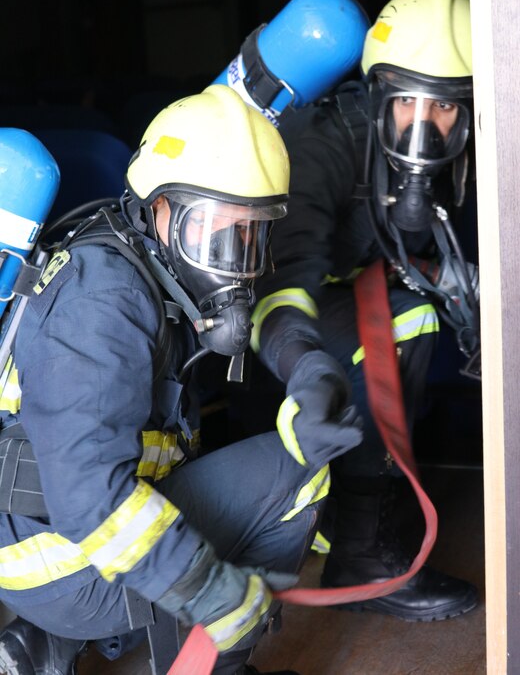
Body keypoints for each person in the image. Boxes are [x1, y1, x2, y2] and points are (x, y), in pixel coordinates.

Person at [0, 84, 364, 675]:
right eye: (212, 229)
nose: (231, 259)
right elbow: (91, 499)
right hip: (60, 553)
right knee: (298, 476)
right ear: (156, 206)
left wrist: (308, 369)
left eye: (251, 235)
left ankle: (49, 643)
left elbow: (269, 307)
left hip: (42, 538)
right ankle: (206, 660)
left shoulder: (139, 258)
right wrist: (214, 589)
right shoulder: (105, 299)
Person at [234, 0, 480, 622]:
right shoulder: (326, 145)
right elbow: (282, 282)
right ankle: (364, 554)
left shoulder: (465, 158)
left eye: (446, 108)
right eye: (408, 103)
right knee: (407, 319)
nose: (426, 126)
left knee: (424, 307)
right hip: (277, 320)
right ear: (378, 95)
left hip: (353, 289)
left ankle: (346, 504)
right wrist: (307, 367)